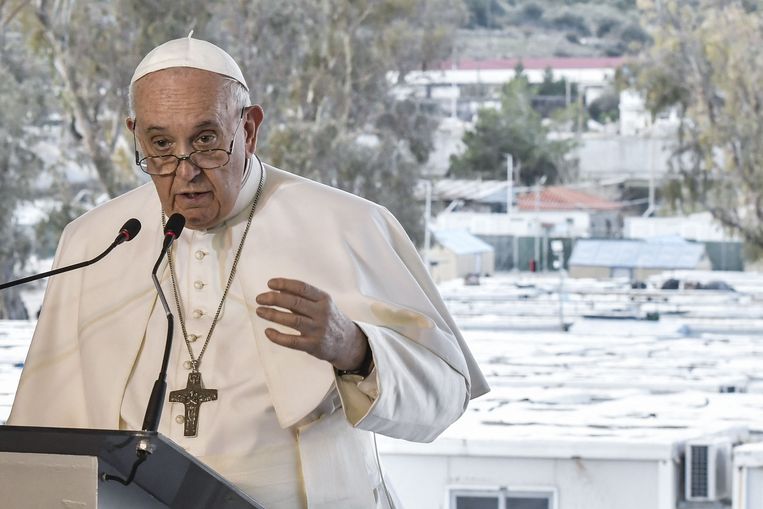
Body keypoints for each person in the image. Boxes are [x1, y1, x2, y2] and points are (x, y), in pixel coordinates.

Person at [8, 35, 489, 508]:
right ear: (135, 134)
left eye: (206, 140)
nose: (185, 170)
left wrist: (355, 349)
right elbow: (42, 437)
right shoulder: (96, 241)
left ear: (250, 128)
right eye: (159, 145)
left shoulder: (348, 224)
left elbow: (446, 395)